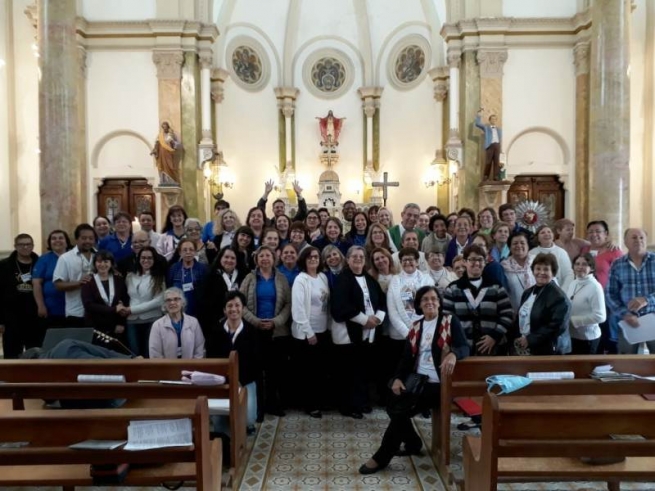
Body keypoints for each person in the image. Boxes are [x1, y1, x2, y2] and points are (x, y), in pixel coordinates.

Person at [359, 285, 469, 475]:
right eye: (425, 299)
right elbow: (406, 359)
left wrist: (453, 354)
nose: (430, 302)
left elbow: (464, 347)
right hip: (418, 381)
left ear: (439, 302)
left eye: (434, 298)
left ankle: (382, 456)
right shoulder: (416, 326)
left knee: (400, 411)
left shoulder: (449, 321)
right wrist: (397, 379)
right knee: (391, 403)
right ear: (419, 304)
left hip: (439, 385)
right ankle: (412, 442)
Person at [331, 246, 386, 419]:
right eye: (354, 256)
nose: (358, 259)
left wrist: (377, 318)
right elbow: (341, 305)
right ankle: (348, 406)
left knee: (362, 369)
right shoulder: (343, 279)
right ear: (347, 260)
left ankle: (361, 402)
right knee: (348, 371)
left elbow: (381, 301)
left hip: (369, 331)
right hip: (347, 333)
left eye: (361, 256)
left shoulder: (369, 278)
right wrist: (364, 320)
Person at [240, 246, 291, 418]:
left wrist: (276, 322)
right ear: (256, 259)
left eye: (268, 255)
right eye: (261, 256)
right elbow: (241, 304)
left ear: (274, 258)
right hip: (255, 330)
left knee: (274, 371)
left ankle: (273, 405)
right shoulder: (249, 278)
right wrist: (255, 321)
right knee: (256, 371)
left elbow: (288, 304)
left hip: (276, 331)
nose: (264, 259)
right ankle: (258, 408)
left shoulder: (282, 278)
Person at [442, 245, 513, 356]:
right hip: (462, 350)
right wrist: (459, 342)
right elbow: (446, 318)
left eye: (480, 259)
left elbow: (507, 314)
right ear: (465, 262)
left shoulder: (496, 287)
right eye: (472, 259)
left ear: (485, 262)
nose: (477, 263)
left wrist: (494, 336)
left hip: (493, 349)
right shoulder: (453, 289)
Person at [205, 290, 260, 431]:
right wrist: (228, 380)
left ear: (243, 309)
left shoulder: (252, 331)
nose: (233, 309)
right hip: (221, 382)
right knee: (219, 423)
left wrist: (239, 380)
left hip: (245, 380)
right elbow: (212, 359)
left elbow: (255, 363)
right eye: (229, 306)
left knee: (248, 420)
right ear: (224, 310)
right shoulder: (215, 331)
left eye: (237, 305)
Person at [291, 247, 331, 418]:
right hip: (307, 333)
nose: (313, 259)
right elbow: (298, 309)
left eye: (316, 256)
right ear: (304, 260)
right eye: (310, 257)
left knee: (321, 370)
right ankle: (310, 405)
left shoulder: (322, 277)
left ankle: (320, 401)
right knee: (308, 372)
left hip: (323, 329)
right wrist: (309, 332)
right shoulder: (301, 280)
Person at [509, 253, 572, 355]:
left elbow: (556, 327)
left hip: (548, 350)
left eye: (546, 269)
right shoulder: (527, 292)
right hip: (526, 346)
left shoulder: (559, 297)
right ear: (533, 271)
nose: (541, 272)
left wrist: (530, 340)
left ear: (553, 272)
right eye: (538, 268)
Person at [607, 228, 655, 355]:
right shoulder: (617, 264)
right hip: (628, 321)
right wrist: (624, 313)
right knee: (626, 364)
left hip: (653, 318)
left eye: (641, 238)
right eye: (634, 237)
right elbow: (610, 294)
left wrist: (647, 300)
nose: (638, 240)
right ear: (626, 242)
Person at [387, 247, 435, 366]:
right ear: (401, 262)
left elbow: (430, 307)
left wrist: (416, 331)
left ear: (417, 262)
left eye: (411, 259)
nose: (407, 262)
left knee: (420, 367)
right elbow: (392, 310)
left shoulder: (427, 279)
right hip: (399, 334)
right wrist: (407, 333)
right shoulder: (394, 280)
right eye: (404, 260)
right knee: (400, 368)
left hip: (423, 332)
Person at [582, 220, 624, 353]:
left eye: (598, 231)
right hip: (588, 298)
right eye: (591, 232)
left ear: (606, 234)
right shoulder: (585, 250)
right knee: (593, 334)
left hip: (607, 299)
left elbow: (621, 276)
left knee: (608, 334)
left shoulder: (614, 251)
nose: (594, 234)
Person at [0, 234, 40, 358]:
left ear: (33, 246)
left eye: (28, 244)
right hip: (11, 318)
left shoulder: (40, 263)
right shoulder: (4, 265)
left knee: (35, 353)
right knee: (11, 354)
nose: (25, 247)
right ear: (15, 246)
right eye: (21, 244)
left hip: (35, 317)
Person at [124, 246, 166, 357]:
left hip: (152, 320)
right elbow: (126, 296)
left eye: (149, 258)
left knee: (150, 353)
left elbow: (158, 301)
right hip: (132, 321)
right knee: (134, 354)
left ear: (154, 259)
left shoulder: (159, 277)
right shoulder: (130, 276)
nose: (146, 260)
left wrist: (132, 309)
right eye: (143, 257)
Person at [53, 223, 97, 326]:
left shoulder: (99, 256)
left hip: (97, 311)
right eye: (84, 238)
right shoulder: (65, 258)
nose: (88, 241)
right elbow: (58, 285)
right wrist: (78, 283)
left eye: (91, 238)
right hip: (76, 311)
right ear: (76, 239)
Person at [198, 246, 247, 333]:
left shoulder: (243, 275)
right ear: (220, 258)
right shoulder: (210, 275)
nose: (229, 260)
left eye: (233, 258)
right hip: (216, 323)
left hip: (239, 321)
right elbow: (204, 302)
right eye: (226, 257)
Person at [149, 287, 205, 359]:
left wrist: (193, 368)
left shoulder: (193, 322)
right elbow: (155, 353)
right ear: (164, 304)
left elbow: (199, 349)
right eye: (168, 300)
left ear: (182, 302)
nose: (172, 302)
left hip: (190, 368)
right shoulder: (157, 325)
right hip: (167, 368)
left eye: (176, 299)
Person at [567, 253, 606, 355]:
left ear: (591, 268)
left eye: (584, 264)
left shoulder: (595, 287)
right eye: (577, 264)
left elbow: (600, 316)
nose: (580, 267)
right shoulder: (573, 283)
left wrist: (573, 320)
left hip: (588, 338)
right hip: (572, 335)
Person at [33, 230, 72, 329]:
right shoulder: (44, 259)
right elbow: (36, 284)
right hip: (51, 308)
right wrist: (41, 306)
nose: (57, 241)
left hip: (73, 307)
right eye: (53, 238)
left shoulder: (74, 257)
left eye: (60, 238)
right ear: (50, 242)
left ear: (66, 241)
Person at [166, 239, 208, 317]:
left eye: (191, 250)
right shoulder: (173, 268)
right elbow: (169, 287)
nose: (188, 252)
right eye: (184, 250)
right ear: (180, 252)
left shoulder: (203, 269)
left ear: (195, 252)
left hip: (197, 312)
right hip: (177, 311)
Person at [529, 225, 574, 290]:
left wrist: (562, 291)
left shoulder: (561, 252)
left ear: (553, 236)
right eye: (542, 232)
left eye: (549, 232)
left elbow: (568, 274)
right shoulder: (532, 253)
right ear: (537, 238)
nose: (546, 234)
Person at [501, 232, 535, 312]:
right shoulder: (504, 267)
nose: (519, 246)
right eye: (515, 243)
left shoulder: (537, 261)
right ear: (509, 247)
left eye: (522, 243)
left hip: (539, 311)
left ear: (528, 246)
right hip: (515, 313)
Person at [475, 109, 502, 181]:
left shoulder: (499, 129)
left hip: (497, 145)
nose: (494, 120)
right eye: (492, 119)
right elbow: (477, 124)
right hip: (490, 145)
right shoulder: (486, 128)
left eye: (495, 119)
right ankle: (486, 176)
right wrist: (479, 115)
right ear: (490, 120)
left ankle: (496, 176)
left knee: (496, 161)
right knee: (488, 162)